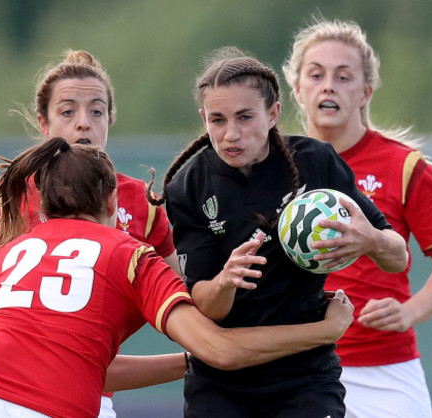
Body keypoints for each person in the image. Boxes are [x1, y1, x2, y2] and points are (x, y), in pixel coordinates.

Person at [0, 137, 355, 418]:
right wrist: (323, 331)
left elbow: (82, 364)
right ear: (112, 197)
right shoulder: (129, 253)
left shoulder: (12, 251)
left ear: (42, 205)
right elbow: (220, 349)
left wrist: (187, 363)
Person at [147, 47, 408, 418]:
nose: (231, 133)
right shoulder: (188, 188)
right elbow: (205, 305)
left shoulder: (316, 162)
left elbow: (398, 257)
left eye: (245, 117)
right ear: (203, 118)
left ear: (273, 114)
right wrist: (226, 280)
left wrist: (372, 240)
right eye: (217, 120)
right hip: (221, 384)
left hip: (305, 378)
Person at [0, 50, 185, 417]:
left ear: (110, 119)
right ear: (43, 124)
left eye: (97, 111)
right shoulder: (11, 193)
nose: (84, 124)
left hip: (82, 394)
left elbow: (183, 300)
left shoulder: (143, 204)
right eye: (68, 111)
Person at [282, 17, 432, 417]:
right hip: (296, 368)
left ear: (366, 91)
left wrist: (410, 312)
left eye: (344, 76)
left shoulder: (403, 166)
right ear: (298, 90)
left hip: (384, 372)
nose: (328, 85)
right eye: (316, 75)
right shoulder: (271, 168)